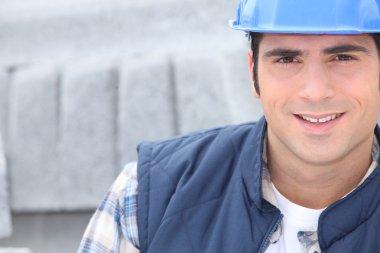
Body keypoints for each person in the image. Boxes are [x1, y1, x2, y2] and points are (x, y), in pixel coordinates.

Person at [78, 0, 380, 252]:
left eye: (343, 57)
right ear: (253, 74)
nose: (315, 91)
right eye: (287, 59)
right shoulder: (147, 196)